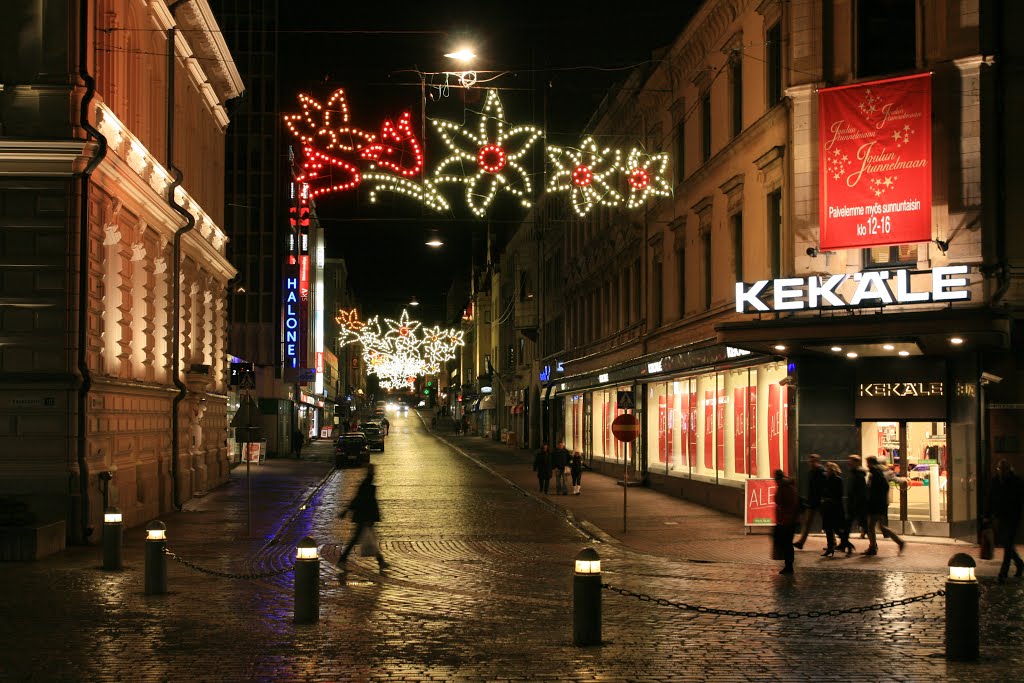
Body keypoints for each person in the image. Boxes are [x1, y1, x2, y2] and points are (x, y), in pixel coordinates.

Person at [337, 464, 388, 572]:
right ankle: (342, 560)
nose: (374, 474)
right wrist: (348, 512)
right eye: (373, 472)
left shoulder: (367, 484)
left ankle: (381, 561)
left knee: (369, 538)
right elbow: (360, 501)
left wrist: (346, 511)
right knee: (357, 539)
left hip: (364, 517)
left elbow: (357, 499)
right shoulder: (366, 485)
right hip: (364, 518)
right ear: (371, 473)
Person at [985, 459, 1024, 582]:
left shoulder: (1016, 481)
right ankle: (1019, 563)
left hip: (1012, 517)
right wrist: (987, 515)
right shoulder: (995, 481)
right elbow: (990, 498)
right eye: (1000, 469)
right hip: (999, 517)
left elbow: (1019, 500)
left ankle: (1003, 573)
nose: (1001, 472)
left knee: (1007, 545)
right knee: (1006, 543)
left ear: (1009, 469)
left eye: (1004, 469)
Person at [864, 455, 904, 555]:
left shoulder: (876, 473)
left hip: (876, 504)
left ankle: (873, 547)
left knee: (872, 525)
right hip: (880, 503)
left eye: (867, 463)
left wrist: (873, 499)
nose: (866, 465)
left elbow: (879, 488)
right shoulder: (877, 472)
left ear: (871, 463)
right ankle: (898, 542)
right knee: (879, 526)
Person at [794, 454, 827, 549]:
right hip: (812, 501)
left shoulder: (821, 472)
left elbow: (823, 487)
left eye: (812, 461)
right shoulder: (812, 472)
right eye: (810, 461)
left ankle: (834, 541)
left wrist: (822, 498)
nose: (810, 463)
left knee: (827, 522)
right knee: (807, 522)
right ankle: (801, 542)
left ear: (817, 461)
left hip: (819, 501)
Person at [838, 455, 868, 554]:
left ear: (856, 462)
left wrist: (855, 504)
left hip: (857, 505)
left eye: (851, 461)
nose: (848, 462)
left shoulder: (858, 475)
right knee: (848, 526)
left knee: (865, 526)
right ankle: (844, 544)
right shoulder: (854, 473)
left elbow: (860, 492)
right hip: (854, 504)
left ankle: (873, 546)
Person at [773, 469, 799, 574]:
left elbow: (780, 501)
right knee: (786, 543)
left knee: (786, 543)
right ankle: (788, 565)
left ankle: (789, 566)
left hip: (786, 520)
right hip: (786, 520)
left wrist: (785, 519)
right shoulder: (786, 486)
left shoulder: (784, 487)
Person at [820, 461, 845, 557]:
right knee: (828, 528)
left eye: (828, 469)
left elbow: (838, 494)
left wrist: (829, 499)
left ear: (832, 469)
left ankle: (845, 542)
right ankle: (830, 547)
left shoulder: (837, 480)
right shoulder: (827, 479)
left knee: (835, 528)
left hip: (834, 508)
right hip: (827, 507)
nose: (826, 471)